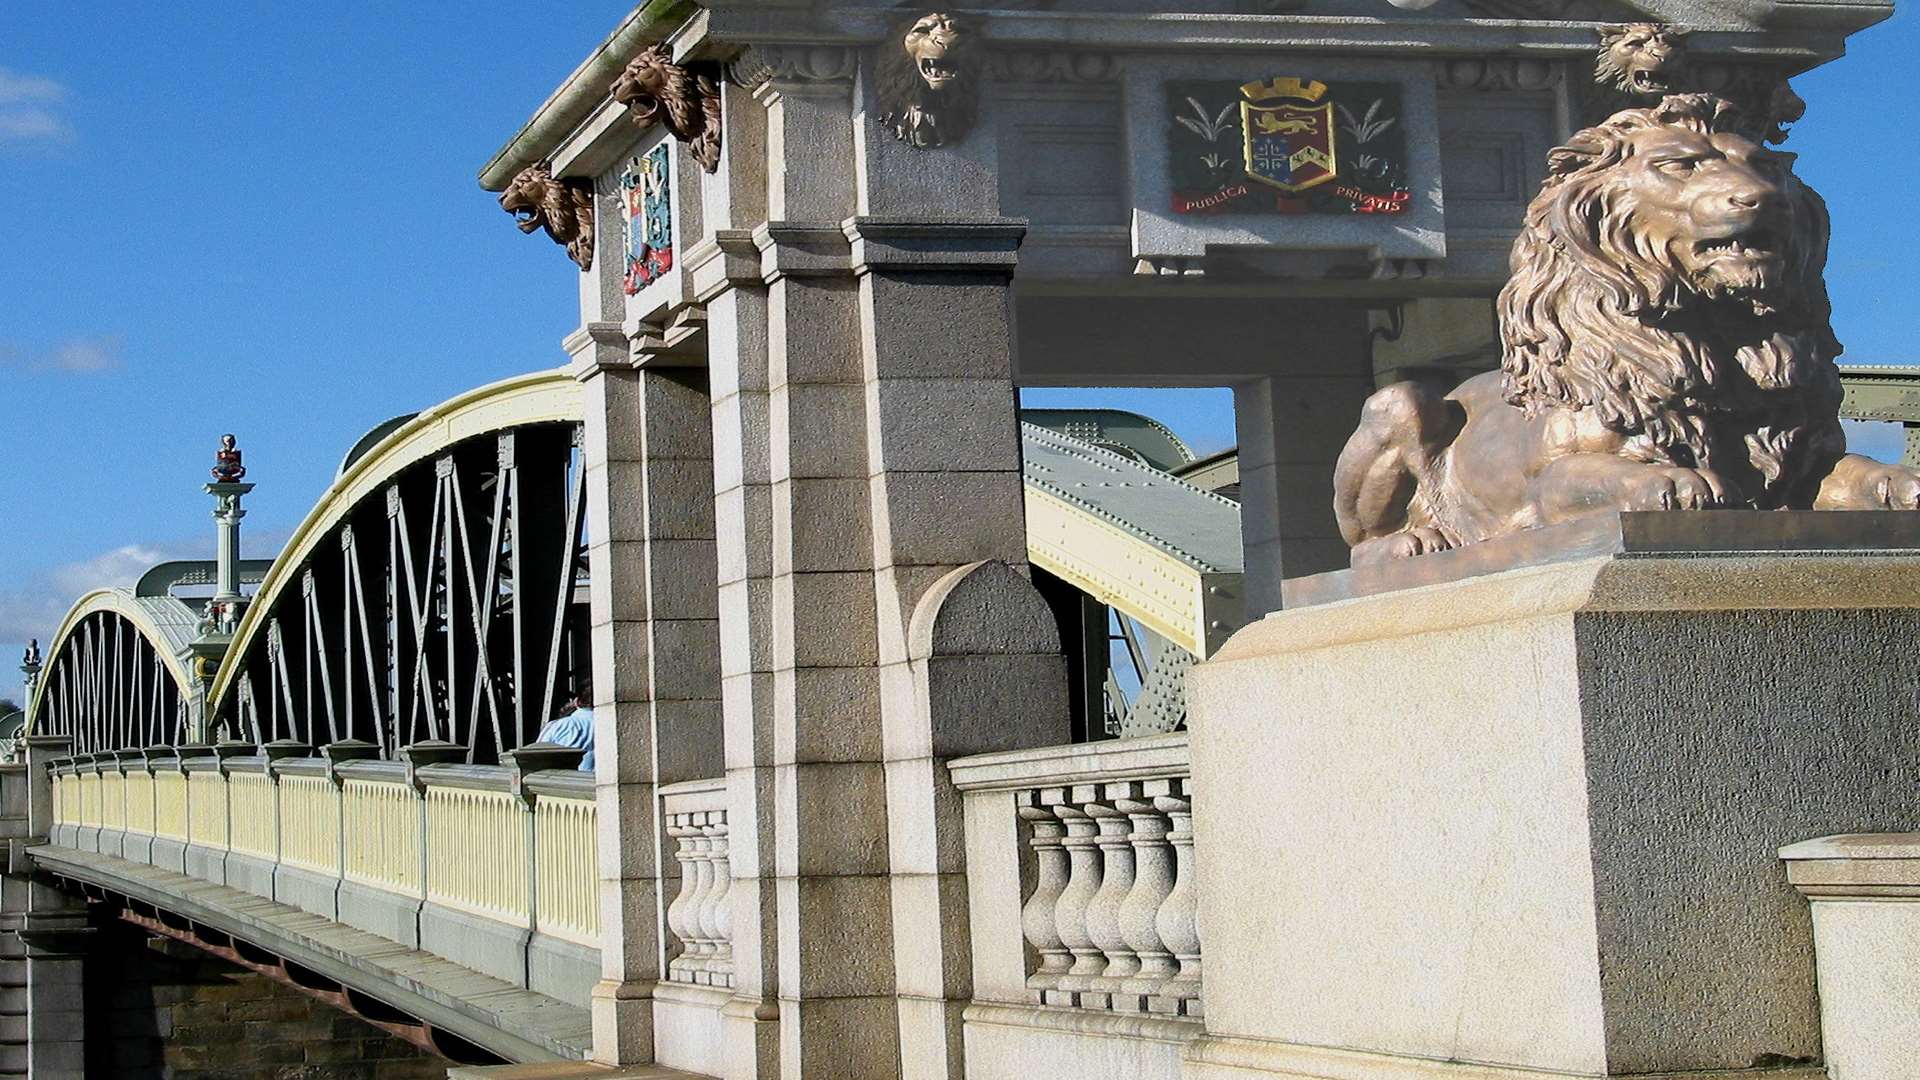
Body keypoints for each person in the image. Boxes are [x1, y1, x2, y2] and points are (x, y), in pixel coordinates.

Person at [534, 676, 595, 772]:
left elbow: (534, 758)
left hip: (566, 782)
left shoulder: (557, 725)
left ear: (577, 701)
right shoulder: (614, 725)